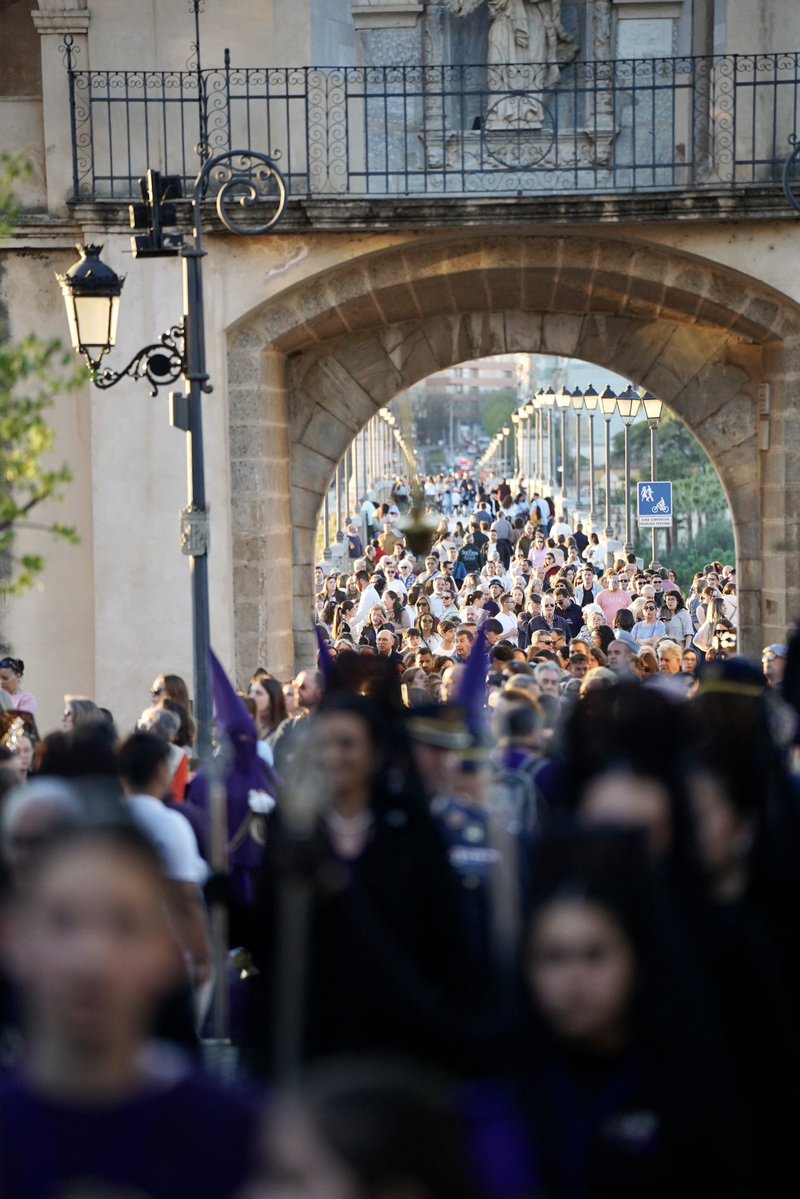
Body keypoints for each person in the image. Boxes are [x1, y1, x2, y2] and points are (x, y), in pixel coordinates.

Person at [0, 823, 259, 1198]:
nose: (91, 959)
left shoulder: (237, 1137)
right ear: (14, 938)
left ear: (169, 948)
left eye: (125, 925)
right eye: (62, 921)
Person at [118, 732, 211, 990]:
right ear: (161, 770)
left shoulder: (109, 821)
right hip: (165, 955)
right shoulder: (169, 824)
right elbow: (186, 898)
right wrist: (203, 955)